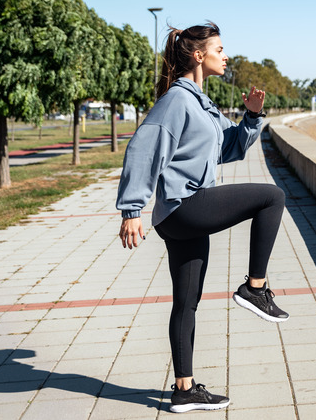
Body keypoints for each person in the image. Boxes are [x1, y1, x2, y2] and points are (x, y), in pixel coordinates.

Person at [115, 22, 288, 414]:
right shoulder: (177, 101)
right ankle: (255, 288)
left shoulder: (201, 104)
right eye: (220, 49)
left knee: (186, 302)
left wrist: (251, 116)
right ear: (199, 55)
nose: (226, 56)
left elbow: (228, 149)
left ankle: (184, 389)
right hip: (185, 206)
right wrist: (131, 210)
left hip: (180, 216)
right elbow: (143, 149)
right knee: (271, 197)